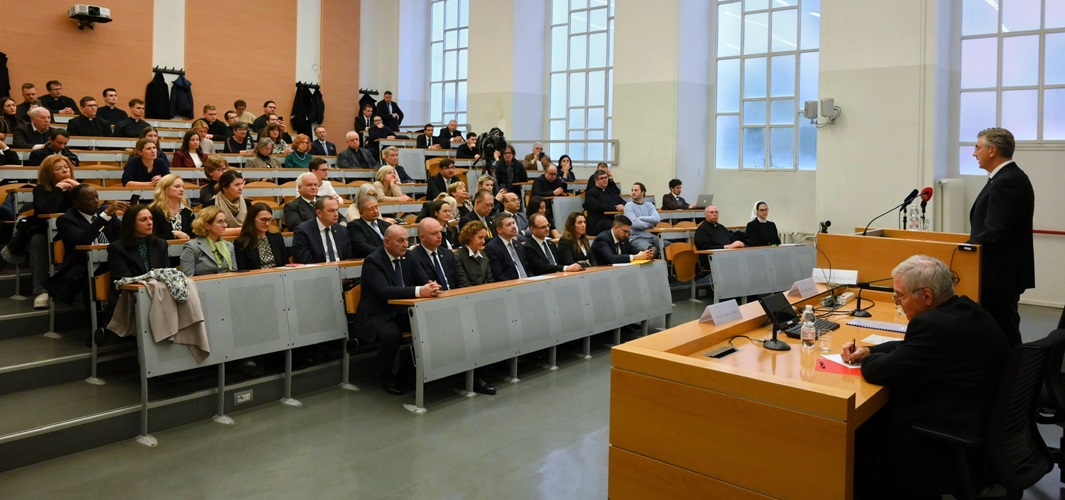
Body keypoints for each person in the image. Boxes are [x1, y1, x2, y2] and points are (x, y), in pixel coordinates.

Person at [841, 255, 1010, 499]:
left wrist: (865, 360)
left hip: (946, 431)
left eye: (899, 296)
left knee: (861, 427)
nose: (898, 304)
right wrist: (870, 350)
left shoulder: (934, 327)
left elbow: (879, 371)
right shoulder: (966, 309)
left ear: (927, 296)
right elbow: (912, 348)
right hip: (982, 419)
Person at [967, 127, 1035, 348]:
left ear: (992, 150)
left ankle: (1015, 369)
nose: (974, 153)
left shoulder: (1008, 181)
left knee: (1003, 328)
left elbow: (995, 232)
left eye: (977, 147)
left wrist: (964, 248)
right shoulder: (1002, 178)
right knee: (996, 328)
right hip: (996, 272)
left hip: (999, 274)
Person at [356, 224, 441, 394]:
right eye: (400, 241)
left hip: (402, 311)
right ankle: (386, 377)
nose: (405, 244)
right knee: (392, 335)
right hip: (378, 314)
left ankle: (406, 371)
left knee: (431, 326)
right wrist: (419, 291)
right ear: (387, 242)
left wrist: (431, 286)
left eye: (407, 240)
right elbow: (384, 291)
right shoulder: (373, 261)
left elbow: (423, 279)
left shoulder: (409, 256)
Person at [42, 184, 127, 306]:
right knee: (91, 276)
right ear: (77, 203)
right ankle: (96, 315)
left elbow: (122, 234)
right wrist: (103, 217)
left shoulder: (106, 212)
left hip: (110, 260)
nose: (96, 201)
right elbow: (83, 241)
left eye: (97, 197)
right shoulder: (66, 219)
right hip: (81, 263)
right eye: (90, 199)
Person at [29, 155, 81, 308]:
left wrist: (79, 189)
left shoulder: (75, 187)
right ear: (48, 173)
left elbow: (91, 208)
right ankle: (41, 290)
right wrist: (58, 189)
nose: (64, 171)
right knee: (37, 241)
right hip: (46, 232)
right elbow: (47, 210)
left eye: (66, 167)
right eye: (58, 169)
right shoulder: (40, 190)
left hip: (72, 231)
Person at [106, 204, 170, 289]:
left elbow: (167, 274)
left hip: (159, 292)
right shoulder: (117, 248)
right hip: (129, 294)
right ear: (131, 223)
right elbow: (125, 281)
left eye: (151, 218)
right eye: (143, 220)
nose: (150, 223)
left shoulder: (161, 244)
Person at [180, 206, 236, 276]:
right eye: (220, 222)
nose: (225, 225)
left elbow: (234, 273)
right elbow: (188, 278)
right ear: (207, 226)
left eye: (225, 221)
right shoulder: (192, 247)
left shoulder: (229, 246)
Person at [292, 197, 351, 263]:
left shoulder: (342, 230)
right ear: (319, 213)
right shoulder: (303, 231)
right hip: (317, 268)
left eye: (337, 210)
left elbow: (348, 257)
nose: (336, 214)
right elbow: (305, 261)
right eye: (331, 211)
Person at [235, 203, 289, 270]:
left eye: (269, 220)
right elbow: (242, 270)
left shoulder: (277, 237)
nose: (267, 223)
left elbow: (285, 264)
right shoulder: (241, 242)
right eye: (263, 220)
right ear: (252, 219)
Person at [485, 213, 532, 280]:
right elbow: (498, 276)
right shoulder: (492, 248)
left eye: (513, 223)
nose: (513, 226)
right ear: (499, 230)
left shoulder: (518, 244)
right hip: (511, 284)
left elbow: (528, 269)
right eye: (508, 225)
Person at [148, 174, 194, 241]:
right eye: (177, 186)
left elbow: (194, 235)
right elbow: (151, 237)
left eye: (183, 187)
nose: (182, 189)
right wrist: (174, 234)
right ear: (165, 189)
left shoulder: (187, 211)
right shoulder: (153, 211)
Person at [623, 182, 661, 254]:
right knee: (652, 251)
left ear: (642, 192)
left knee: (669, 246)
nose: (633, 192)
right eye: (632, 190)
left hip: (650, 236)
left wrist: (641, 218)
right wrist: (651, 225)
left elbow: (657, 219)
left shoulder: (649, 205)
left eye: (636, 190)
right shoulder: (628, 206)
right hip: (636, 238)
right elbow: (634, 224)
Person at [584, 170, 625, 236]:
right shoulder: (591, 193)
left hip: (612, 219)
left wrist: (623, 206)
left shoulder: (610, 191)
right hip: (598, 221)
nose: (604, 180)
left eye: (606, 178)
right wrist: (615, 208)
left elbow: (622, 201)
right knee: (616, 227)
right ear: (596, 180)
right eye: (601, 178)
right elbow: (597, 206)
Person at [455, 220, 494, 288]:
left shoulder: (483, 255)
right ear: (469, 236)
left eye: (484, 238)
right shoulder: (458, 257)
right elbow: (463, 282)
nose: (483, 241)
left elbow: (489, 279)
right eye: (480, 237)